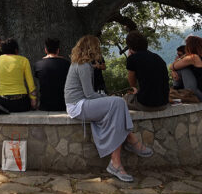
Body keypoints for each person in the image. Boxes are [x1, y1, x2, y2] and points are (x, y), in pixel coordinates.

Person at [64, 35, 152, 183]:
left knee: (117, 105)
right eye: (98, 46)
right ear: (92, 48)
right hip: (78, 106)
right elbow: (89, 94)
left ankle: (116, 162)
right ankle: (131, 141)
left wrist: (108, 98)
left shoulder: (82, 64)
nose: (100, 49)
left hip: (81, 103)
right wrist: (108, 98)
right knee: (118, 102)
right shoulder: (83, 65)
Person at [123, 31, 170, 111]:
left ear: (130, 47)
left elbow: (132, 83)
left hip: (146, 104)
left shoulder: (132, 59)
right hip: (164, 103)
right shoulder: (158, 58)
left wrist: (130, 58)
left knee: (122, 100)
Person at [0, 38, 36, 112]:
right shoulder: (24, 60)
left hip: (3, 103)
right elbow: (30, 83)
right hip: (21, 103)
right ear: (16, 49)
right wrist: (33, 99)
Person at [33, 38, 70, 111]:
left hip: (44, 105)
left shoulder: (38, 64)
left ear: (45, 50)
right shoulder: (66, 64)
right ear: (58, 50)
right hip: (62, 105)